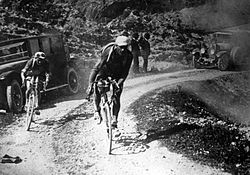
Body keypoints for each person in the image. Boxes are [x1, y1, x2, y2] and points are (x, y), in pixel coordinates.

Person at [86, 35, 133, 133]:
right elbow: (96, 68)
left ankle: (114, 120)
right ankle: (97, 110)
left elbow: (125, 73)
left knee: (117, 95)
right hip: (104, 70)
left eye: (125, 47)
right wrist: (90, 84)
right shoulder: (108, 52)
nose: (123, 50)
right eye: (121, 47)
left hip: (118, 74)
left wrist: (118, 83)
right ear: (116, 46)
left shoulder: (129, 56)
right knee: (98, 89)